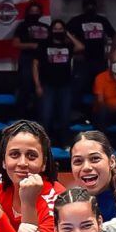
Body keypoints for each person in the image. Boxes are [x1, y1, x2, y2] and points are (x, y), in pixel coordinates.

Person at [33, 19, 84, 147]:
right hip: (47, 85)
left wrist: (68, 34)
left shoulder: (67, 45)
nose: (58, 31)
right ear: (51, 30)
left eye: (61, 29)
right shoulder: (44, 45)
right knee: (46, 116)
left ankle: (65, 142)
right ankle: (43, 144)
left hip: (65, 85)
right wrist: (37, 85)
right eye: (55, 29)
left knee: (65, 116)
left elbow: (81, 47)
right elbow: (35, 65)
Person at [66, 0, 116, 104]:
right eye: (88, 5)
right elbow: (64, 36)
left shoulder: (102, 20)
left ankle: (98, 114)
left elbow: (115, 37)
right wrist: (72, 51)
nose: (90, 7)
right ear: (83, 7)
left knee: (101, 89)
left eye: (92, 5)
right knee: (77, 90)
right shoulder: (76, 20)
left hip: (100, 61)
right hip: (82, 61)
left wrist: (111, 53)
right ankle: (77, 115)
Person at [12, 2, 50, 117]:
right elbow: (15, 44)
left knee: (41, 88)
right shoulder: (22, 26)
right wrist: (32, 45)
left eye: (37, 11)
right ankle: (21, 115)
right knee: (26, 87)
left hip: (44, 60)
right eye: (32, 11)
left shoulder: (46, 27)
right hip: (27, 59)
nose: (34, 13)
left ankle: (39, 115)